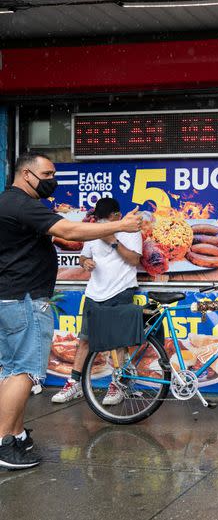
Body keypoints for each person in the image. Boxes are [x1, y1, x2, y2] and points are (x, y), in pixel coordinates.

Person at [0, 152, 141, 471]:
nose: (53, 180)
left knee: (11, 372)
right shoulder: (22, 204)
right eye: (48, 174)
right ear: (25, 175)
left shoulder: (7, 203)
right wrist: (121, 224)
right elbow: (70, 232)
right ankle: (4, 442)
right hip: (24, 299)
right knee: (24, 372)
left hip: (11, 298)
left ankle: (17, 434)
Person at [51, 198, 143, 405]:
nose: (102, 224)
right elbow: (83, 257)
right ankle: (74, 383)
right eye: (99, 220)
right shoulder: (92, 233)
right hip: (94, 293)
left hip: (120, 291)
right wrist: (86, 263)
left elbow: (134, 260)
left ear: (117, 216)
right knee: (84, 340)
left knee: (118, 341)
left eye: (106, 219)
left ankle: (118, 383)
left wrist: (113, 240)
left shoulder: (132, 231)